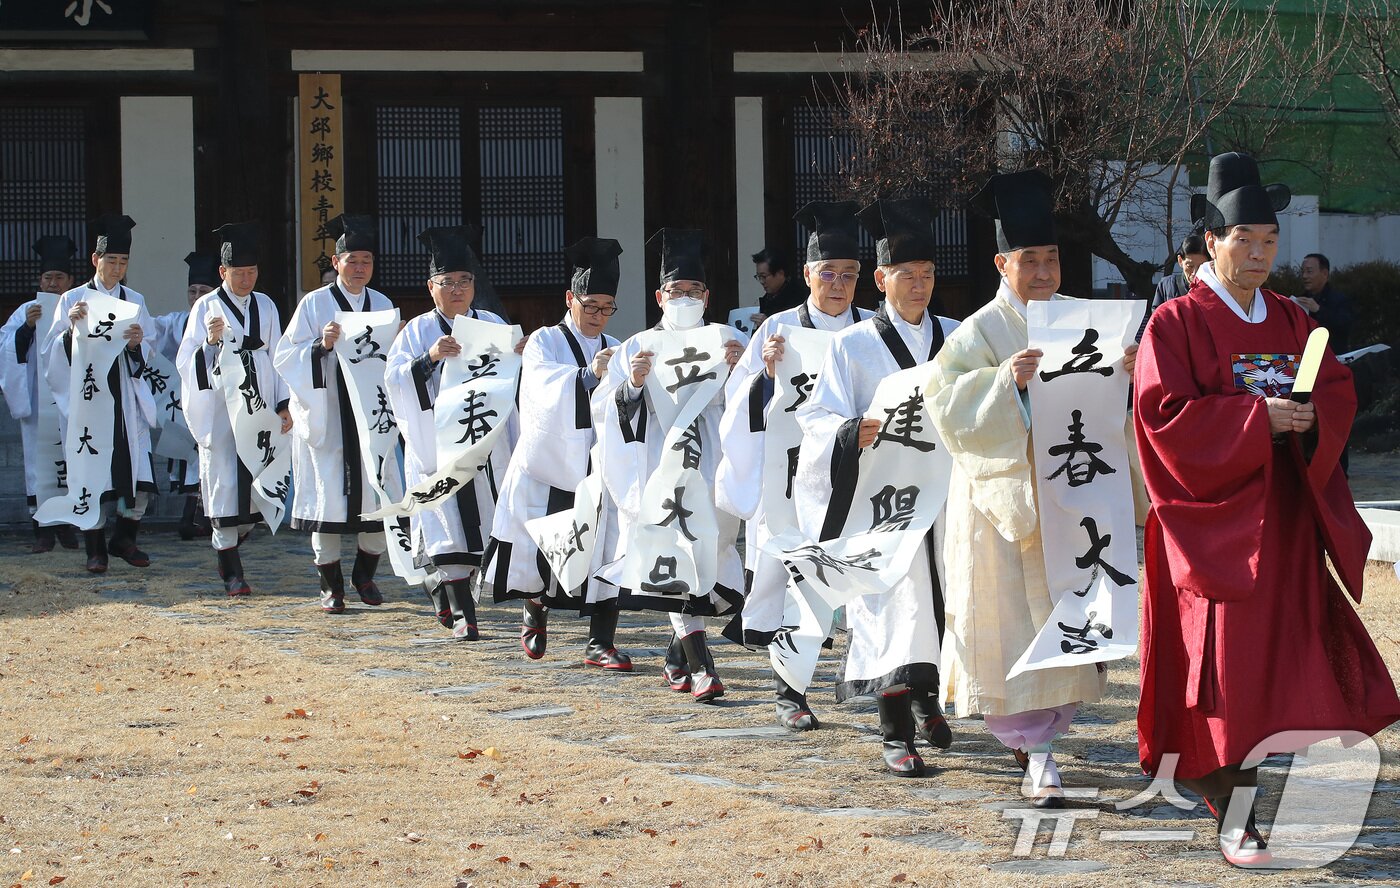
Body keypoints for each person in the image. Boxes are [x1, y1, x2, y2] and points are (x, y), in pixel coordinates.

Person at [1135, 152, 1399, 867]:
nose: (1257, 254)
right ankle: (1234, 807)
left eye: (1269, 241)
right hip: (1215, 527)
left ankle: (1231, 787)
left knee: (1280, 665)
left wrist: (1309, 418)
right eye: (1243, 239)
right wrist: (1257, 423)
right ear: (1211, 242)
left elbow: (1333, 387)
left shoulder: (1290, 318)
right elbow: (1162, 417)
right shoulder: (1175, 326)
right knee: (1229, 671)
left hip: (1283, 520)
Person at [927, 171, 1135, 804]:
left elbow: (1102, 411)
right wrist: (1003, 384)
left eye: (1051, 260)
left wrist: (1122, 373)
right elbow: (943, 402)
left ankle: (1049, 737)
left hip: (1067, 499)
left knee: (1064, 617)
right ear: (1001, 262)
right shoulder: (979, 331)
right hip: (1002, 500)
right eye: (1030, 260)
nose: (1044, 272)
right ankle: (1035, 749)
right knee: (1011, 623)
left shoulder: (1080, 321)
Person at [795, 198, 958, 775]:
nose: (920, 286)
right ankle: (895, 731)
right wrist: (847, 432)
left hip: (946, 499)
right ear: (883, 278)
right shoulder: (853, 345)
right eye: (907, 275)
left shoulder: (957, 337)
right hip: (883, 502)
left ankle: (929, 698)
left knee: (942, 603)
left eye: (929, 275)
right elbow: (816, 417)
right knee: (891, 606)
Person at [718, 201, 875, 731]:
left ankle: (874, 680)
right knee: (791, 578)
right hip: (791, 474)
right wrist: (763, 374)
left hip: (857, 472)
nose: (837, 283)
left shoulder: (872, 330)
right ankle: (791, 692)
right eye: (827, 273)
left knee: (863, 575)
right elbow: (739, 402)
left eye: (848, 274)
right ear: (807, 275)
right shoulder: (778, 329)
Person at [597, 228, 745, 703]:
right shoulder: (638, 346)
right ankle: (703, 668)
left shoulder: (727, 339)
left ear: (708, 296)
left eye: (695, 291)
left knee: (715, 554)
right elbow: (608, 411)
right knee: (680, 555)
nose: (686, 299)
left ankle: (676, 655)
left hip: (717, 464)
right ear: (660, 296)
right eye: (677, 292)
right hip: (665, 467)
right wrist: (633, 384)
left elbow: (751, 402)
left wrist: (742, 370)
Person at [480, 237, 631, 669]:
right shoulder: (545, 340)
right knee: (540, 548)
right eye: (591, 306)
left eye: (608, 308)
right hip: (548, 463)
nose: (599, 317)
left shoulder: (619, 345)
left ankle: (600, 640)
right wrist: (587, 374)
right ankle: (534, 609)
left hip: (598, 465)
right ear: (571, 299)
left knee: (607, 547)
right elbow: (540, 389)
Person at [384, 226, 522, 639]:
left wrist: (520, 353)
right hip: (439, 444)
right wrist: (428, 358)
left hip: (483, 441)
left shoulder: (492, 323)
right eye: (448, 283)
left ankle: (454, 595)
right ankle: (464, 615)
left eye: (464, 281)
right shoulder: (418, 331)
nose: (457, 289)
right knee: (446, 522)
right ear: (431, 287)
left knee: (483, 519)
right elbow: (393, 379)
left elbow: (512, 379)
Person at [274, 214, 393, 612]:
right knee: (327, 503)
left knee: (378, 500)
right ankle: (331, 585)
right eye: (352, 260)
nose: (360, 268)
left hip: (370, 415)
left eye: (367, 261)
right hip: (328, 414)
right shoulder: (315, 302)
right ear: (335, 260)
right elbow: (285, 355)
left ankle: (365, 575)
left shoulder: (382, 304)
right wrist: (319, 346)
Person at [177, 223, 291, 597]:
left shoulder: (267, 305)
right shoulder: (206, 307)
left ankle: (233, 543)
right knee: (225, 485)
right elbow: (187, 362)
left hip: (259, 406)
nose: (246, 279)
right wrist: (209, 343)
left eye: (252, 272)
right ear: (223, 273)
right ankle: (231, 572)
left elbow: (278, 356)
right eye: (238, 272)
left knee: (255, 489)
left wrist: (284, 403)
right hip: (223, 412)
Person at [42, 214, 159, 573]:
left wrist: (139, 344)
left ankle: (125, 537)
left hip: (124, 393)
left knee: (137, 469)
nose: (117, 268)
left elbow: (150, 346)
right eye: (111, 261)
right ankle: (95, 548)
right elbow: (50, 353)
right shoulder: (73, 299)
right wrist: (69, 330)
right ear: (96, 260)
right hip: (90, 395)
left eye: (123, 262)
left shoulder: (134, 298)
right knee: (91, 468)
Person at [0, 235, 80, 553]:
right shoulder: (26, 310)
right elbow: (6, 346)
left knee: (69, 460)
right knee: (38, 463)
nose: (52, 283)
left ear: (70, 280)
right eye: (47, 277)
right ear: (40, 280)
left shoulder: (77, 307)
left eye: (59, 277)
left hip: (71, 399)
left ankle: (67, 527)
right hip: (37, 398)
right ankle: (42, 530)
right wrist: (26, 329)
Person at [153, 250, 220, 539]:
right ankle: (191, 514)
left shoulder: (223, 319)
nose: (196, 296)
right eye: (192, 291)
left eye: (203, 291)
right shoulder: (176, 322)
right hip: (186, 400)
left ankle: (211, 515)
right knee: (189, 456)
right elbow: (150, 335)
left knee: (214, 456)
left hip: (217, 400)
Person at [1136, 230, 1208, 341]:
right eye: (1189, 266)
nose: (1195, 272)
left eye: (1201, 266)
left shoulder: (1216, 289)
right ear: (1180, 261)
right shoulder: (1166, 285)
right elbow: (1156, 320)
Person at [1296, 252, 1354, 353]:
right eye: (1302, 272)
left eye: (1309, 271)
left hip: (1333, 357)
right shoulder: (1301, 299)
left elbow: (1344, 326)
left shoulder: (1339, 299)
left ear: (1325, 274)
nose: (1304, 276)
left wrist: (1318, 310)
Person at [752, 247, 809, 319]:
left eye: (764, 276)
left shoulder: (800, 297)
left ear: (780, 274)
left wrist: (768, 323)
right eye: (759, 276)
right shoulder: (768, 298)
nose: (761, 281)